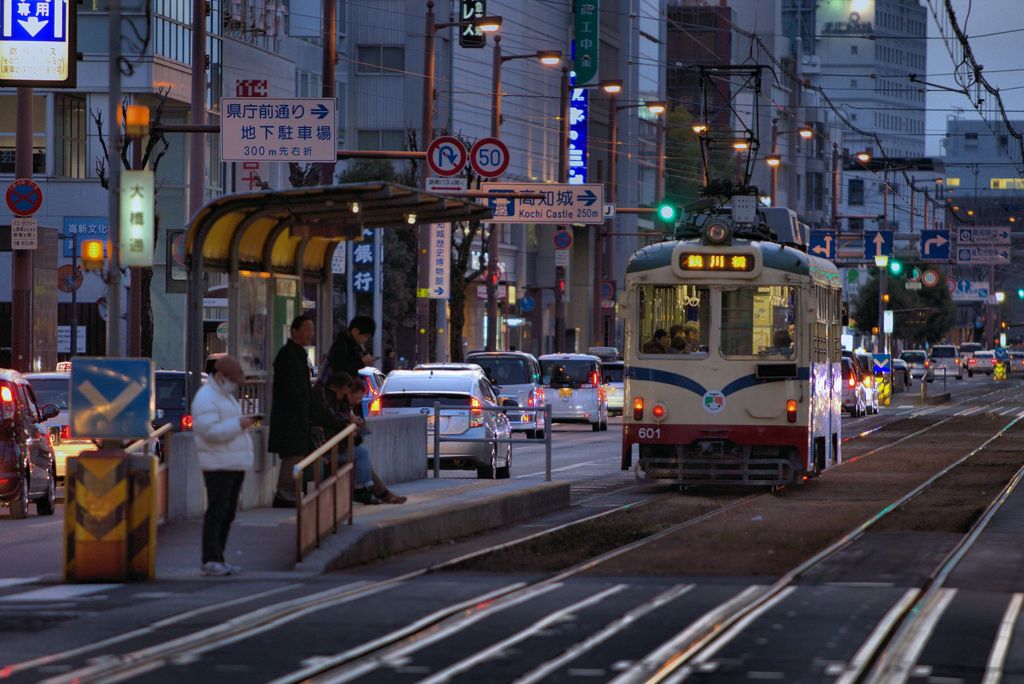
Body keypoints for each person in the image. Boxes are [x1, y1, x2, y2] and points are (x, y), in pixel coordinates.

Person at [191, 355, 255, 577]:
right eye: (233, 381)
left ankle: (218, 557)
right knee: (218, 511)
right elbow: (210, 431)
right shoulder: (206, 398)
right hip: (218, 464)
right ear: (220, 377)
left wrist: (239, 423)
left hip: (231, 462)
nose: (235, 386)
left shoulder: (224, 397)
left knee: (227, 512)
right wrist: (239, 424)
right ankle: (211, 559)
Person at [269, 315, 316, 508]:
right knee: (293, 455)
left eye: (312, 329)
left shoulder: (297, 354)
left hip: (296, 416)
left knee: (297, 455)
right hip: (290, 417)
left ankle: (289, 492)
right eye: (306, 329)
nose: (310, 333)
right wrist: (302, 408)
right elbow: (291, 389)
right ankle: (284, 494)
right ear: (294, 331)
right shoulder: (288, 355)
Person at [325, 315, 376, 381]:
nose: (365, 340)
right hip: (341, 388)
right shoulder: (341, 345)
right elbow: (340, 370)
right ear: (355, 331)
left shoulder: (355, 346)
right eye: (365, 336)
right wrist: (362, 362)